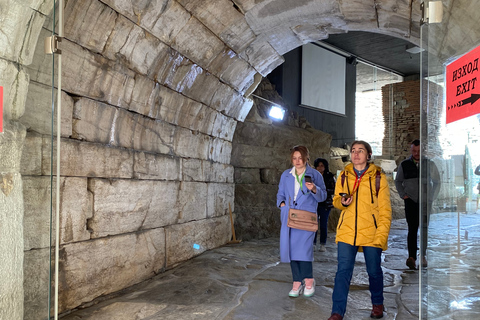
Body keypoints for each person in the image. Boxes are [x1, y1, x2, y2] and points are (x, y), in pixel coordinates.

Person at [328, 141, 392, 320]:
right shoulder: (344, 175)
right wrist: (342, 202)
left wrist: (381, 236)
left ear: (368, 155)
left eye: (360, 151)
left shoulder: (378, 177)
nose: (356, 154)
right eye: (353, 151)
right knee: (342, 273)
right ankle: (337, 312)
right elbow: (336, 201)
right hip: (347, 232)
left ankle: (377, 304)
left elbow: (385, 210)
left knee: (374, 271)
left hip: (371, 233)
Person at [277, 145, 327, 298]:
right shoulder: (286, 175)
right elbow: (280, 194)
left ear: (306, 158)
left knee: (304, 250)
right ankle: (297, 282)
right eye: (294, 158)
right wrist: (282, 205)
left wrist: (313, 189)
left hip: (306, 218)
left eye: (300, 158)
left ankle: (309, 280)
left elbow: (323, 196)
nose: (297, 161)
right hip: (290, 216)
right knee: (291, 250)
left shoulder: (315, 174)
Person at [394, 139, 440, 270]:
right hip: (411, 202)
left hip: (426, 203)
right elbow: (398, 181)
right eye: (414, 151)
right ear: (411, 150)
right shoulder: (404, 164)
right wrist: (404, 195)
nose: (416, 153)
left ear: (423, 151)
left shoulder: (429, 164)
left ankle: (423, 256)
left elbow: (437, 182)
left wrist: (432, 197)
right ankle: (412, 257)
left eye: (419, 151)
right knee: (412, 229)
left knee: (424, 229)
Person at [313, 158, 336, 252]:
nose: (320, 168)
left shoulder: (330, 176)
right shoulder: (313, 176)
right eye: (318, 166)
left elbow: (334, 189)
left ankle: (323, 244)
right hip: (314, 203)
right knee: (313, 224)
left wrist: (323, 192)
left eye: (322, 166)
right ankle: (313, 243)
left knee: (323, 224)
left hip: (325, 204)